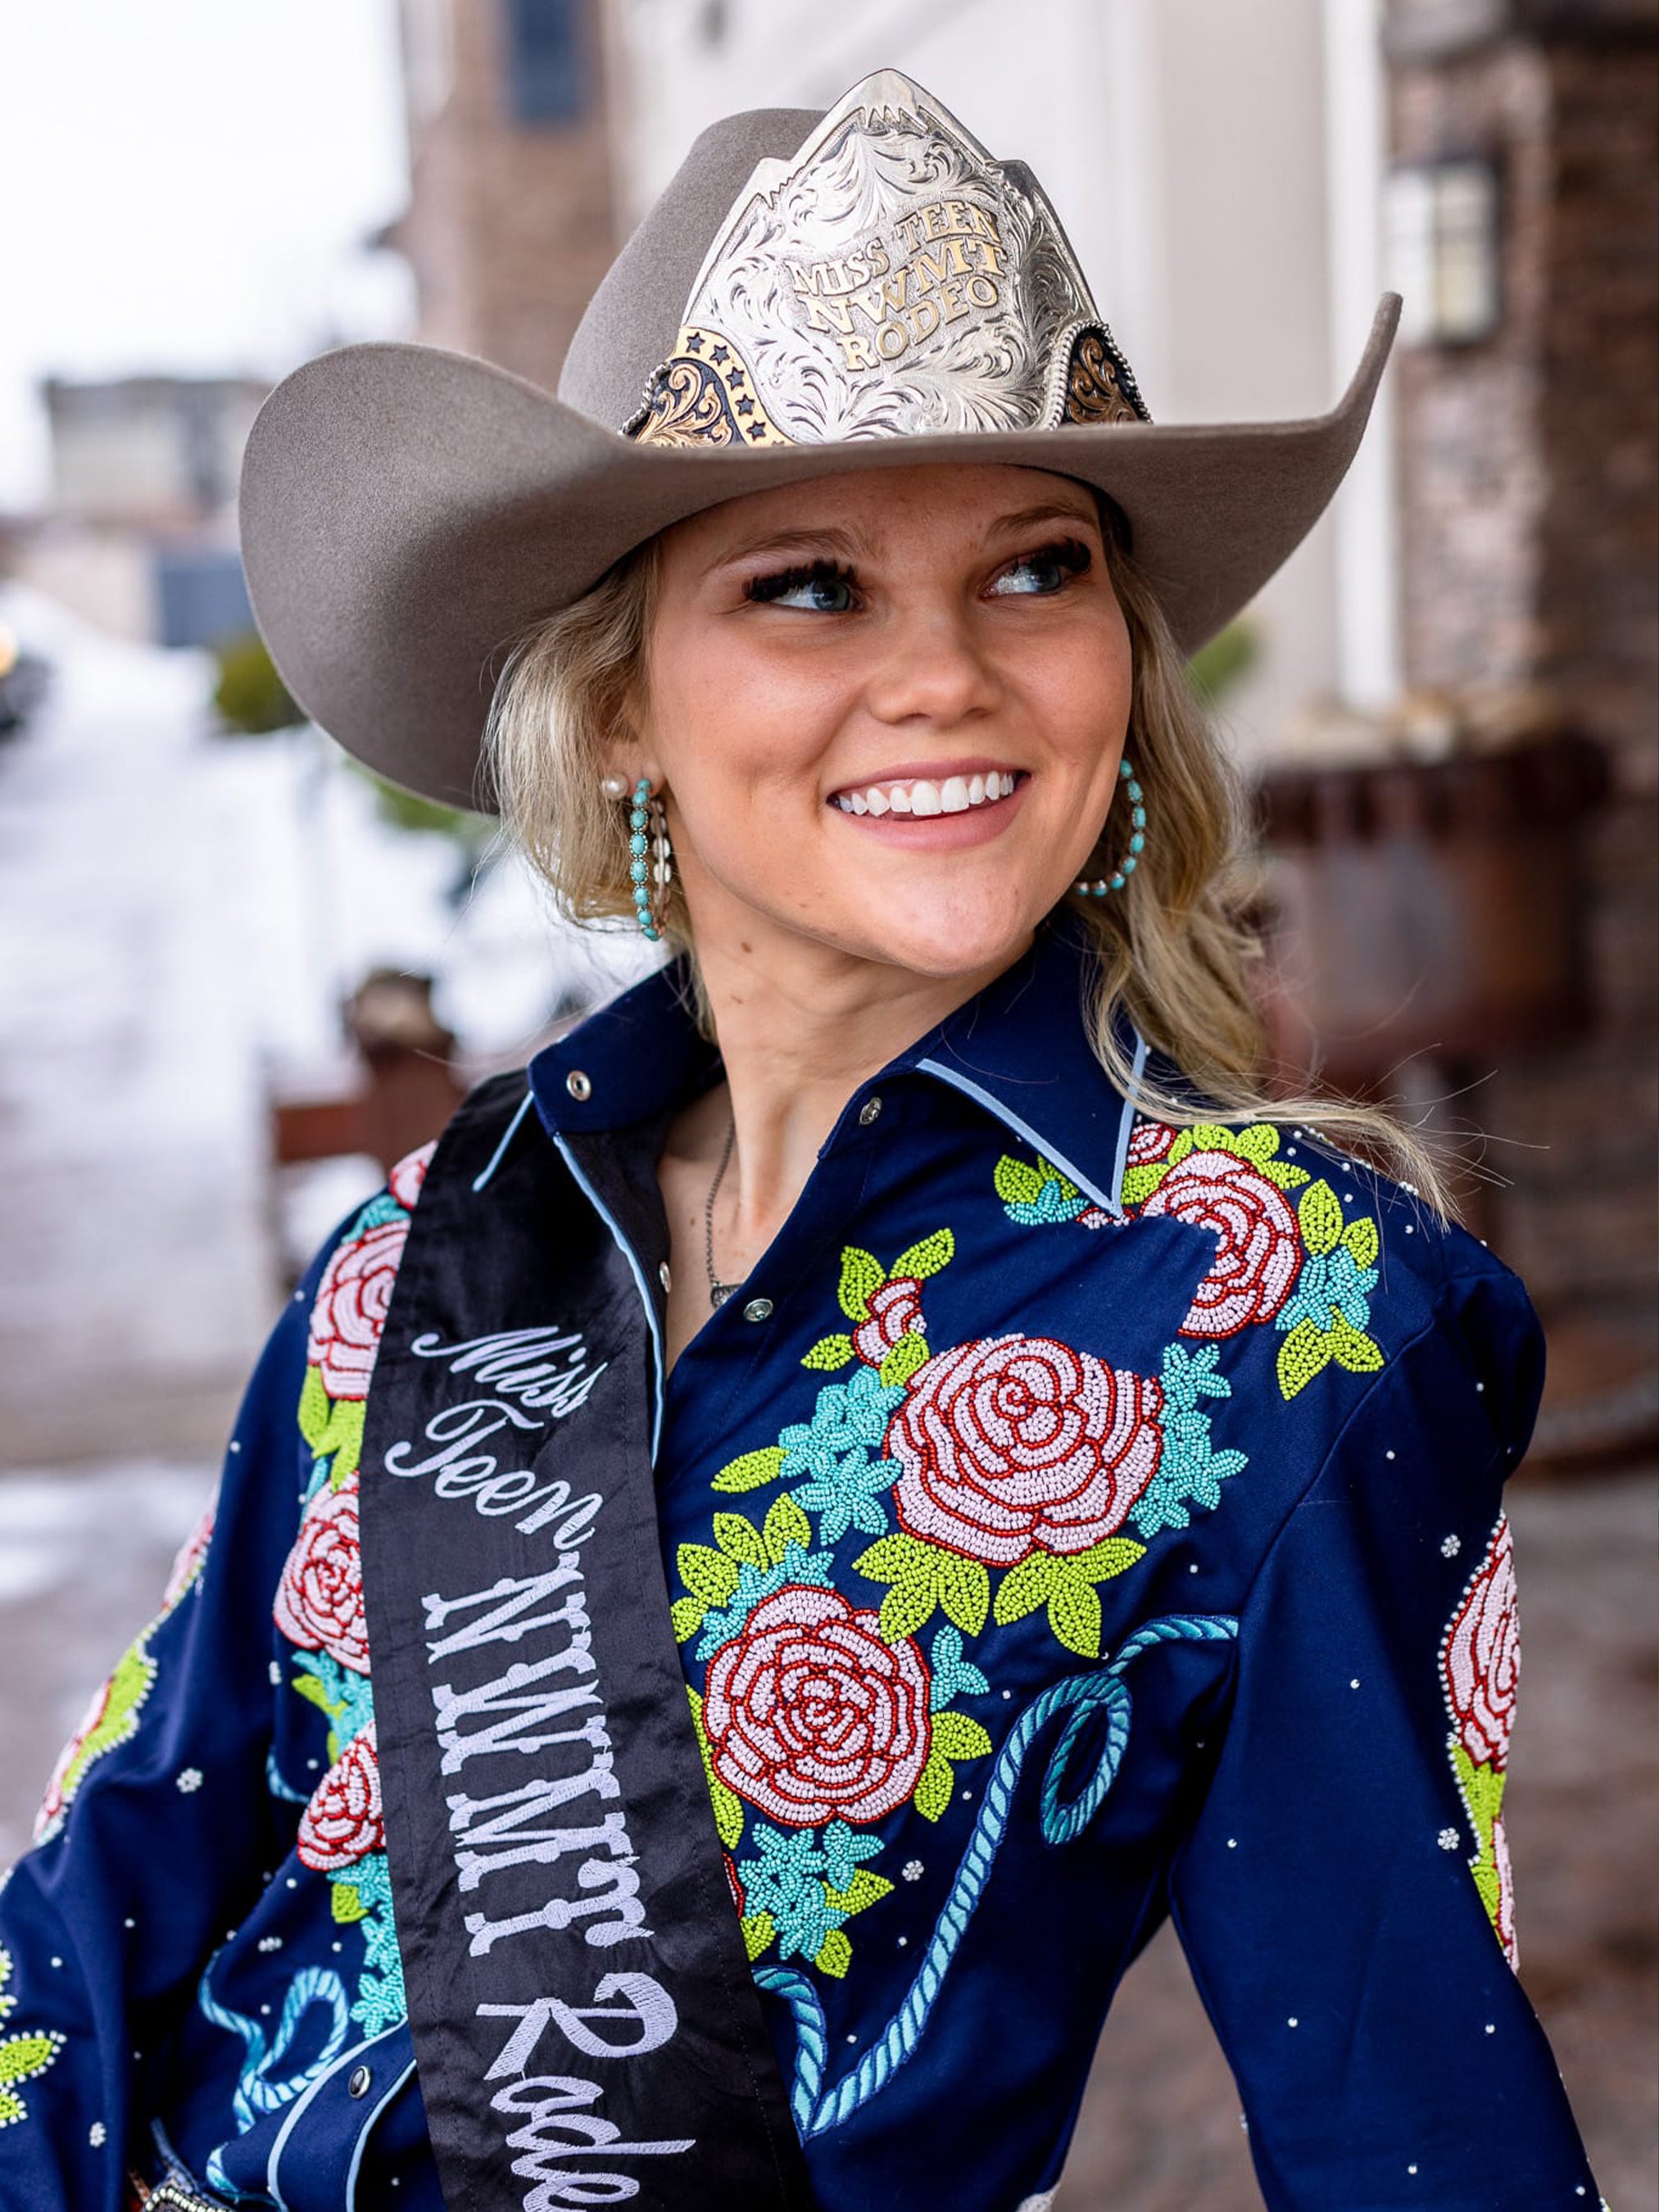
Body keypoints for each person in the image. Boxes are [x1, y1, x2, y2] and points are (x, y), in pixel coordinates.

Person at [0, 70, 1601, 2212]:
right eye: (809, 586)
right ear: (624, 702)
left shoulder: (1271, 1318)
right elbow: (105, 1907)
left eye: (1033, 570)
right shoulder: (412, 1261)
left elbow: (1403, 2115)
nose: (942, 672)